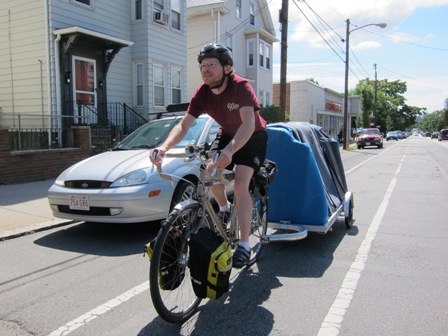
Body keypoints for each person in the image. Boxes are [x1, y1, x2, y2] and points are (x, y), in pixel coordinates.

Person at [149, 43, 267, 268]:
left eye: (212, 64)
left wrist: (231, 150)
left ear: (227, 68)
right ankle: (224, 209)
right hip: (228, 133)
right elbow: (183, 126)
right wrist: (163, 148)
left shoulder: (241, 86)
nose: (206, 69)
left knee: (241, 184)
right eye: (203, 65)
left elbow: (249, 124)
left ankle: (243, 244)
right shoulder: (202, 93)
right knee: (209, 172)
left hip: (253, 135)